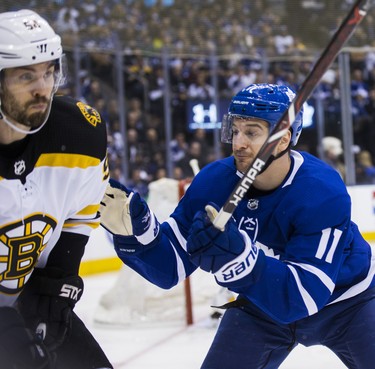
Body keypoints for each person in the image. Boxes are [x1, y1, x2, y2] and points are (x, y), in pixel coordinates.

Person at [100, 83, 375, 369]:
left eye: (252, 132)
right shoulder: (215, 182)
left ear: (283, 140)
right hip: (262, 304)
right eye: (235, 130)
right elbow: (170, 268)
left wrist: (242, 260)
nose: (238, 143)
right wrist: (136, 233)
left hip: (347, 303)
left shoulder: (320, 190)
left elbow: (304, 297)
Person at [0, 9, 112, 369]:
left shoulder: (80, 136)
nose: (42, 88)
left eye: (49, 72)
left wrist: (54, 287)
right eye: (26, 76)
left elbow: (80, 216)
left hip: (24, 295)